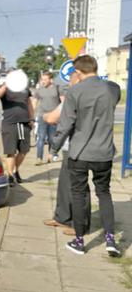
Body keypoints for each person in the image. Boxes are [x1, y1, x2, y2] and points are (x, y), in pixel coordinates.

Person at [52, 55, 121, 256]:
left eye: (75, 73)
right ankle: (110, 240)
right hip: (104, 152)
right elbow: (112, 85)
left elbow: (66, 124)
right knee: (104, 193)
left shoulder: (74, 92)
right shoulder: (111, 90)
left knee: (79, 194)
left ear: (79, 72)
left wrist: (54, 147)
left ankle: (80, 241)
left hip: (79, 153)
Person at [42, 71, 90, 236]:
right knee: (65, 185)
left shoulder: (77, 98)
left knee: (79, 188)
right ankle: (62, 217)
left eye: (71, 82)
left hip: (80, 149)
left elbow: (52, 119)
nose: (69, 85)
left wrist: (45, 115)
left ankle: (80, 226)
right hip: (70, 148)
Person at [0, 79, 35, 184]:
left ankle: (15, 169)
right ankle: (10, 175)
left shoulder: (25, 89)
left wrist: (32, 119)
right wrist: (5, 86)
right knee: (10, 151)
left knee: (24, 150)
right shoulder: (5, 88)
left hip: (24, 123)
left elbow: (29, 104)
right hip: (10, 124)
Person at [32, 71, 62, 165]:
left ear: (51, 80)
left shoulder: (57, 88)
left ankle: (51, 155)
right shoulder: (39, 90)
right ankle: (39, 158)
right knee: (40, 138)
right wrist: (31, 116)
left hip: (54, 117)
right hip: (42, 116)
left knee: (52, 138)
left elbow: (63, 101)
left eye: (45, 79)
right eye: (42, 79)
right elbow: (34, 103)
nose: (43, 81)